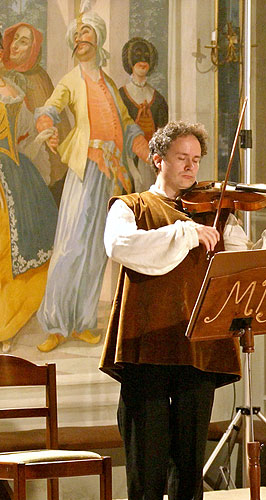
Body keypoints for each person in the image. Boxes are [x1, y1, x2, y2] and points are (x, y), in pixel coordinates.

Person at [100, 120, 266, 500]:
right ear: (158, 160)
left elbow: (247, 268)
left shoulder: (216, 213)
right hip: (146, 347)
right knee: (146, 471)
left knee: (190, 469)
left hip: (199, 348)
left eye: (196, 159)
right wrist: (186, 231)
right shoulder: (130, 206)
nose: (191, 167)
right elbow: (121, 246)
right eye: (182, 158)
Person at [34, 11, 150, 352]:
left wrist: (145, 150)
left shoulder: (110, 84)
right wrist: (46, 126)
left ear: (97, 39)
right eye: (76, 33)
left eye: (86, 32)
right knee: (71, 244)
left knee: (99, 249)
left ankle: (83, 322)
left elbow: (128, 125)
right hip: (86, 167)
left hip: (113, 174)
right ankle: (55, 323)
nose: (79, 37)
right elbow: (50, 109)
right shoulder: (71, 79)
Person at [0, 75, 58, 353]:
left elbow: (20, 140)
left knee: (20, 248)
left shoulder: (14, 88)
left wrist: (37, 142)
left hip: (16, 173)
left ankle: (6, 327)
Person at [2, 22, 71, 200]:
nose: (15, 46)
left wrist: (48, 134)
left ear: (33, 49)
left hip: (35, 159)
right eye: (14, 39)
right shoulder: (4, 78)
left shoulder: (40, 78)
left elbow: (54, 119)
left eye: (23, 42)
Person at [119, 37, 169, 142]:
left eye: (146, 57)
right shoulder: (121, 95)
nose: (142, 62)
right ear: (130, 60)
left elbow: (163, 134)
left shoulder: (159, 99)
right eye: (137, 56)